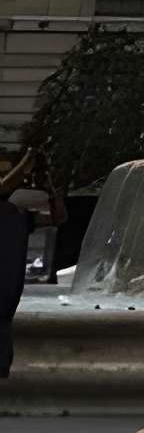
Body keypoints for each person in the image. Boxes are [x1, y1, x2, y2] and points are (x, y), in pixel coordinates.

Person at [1, 147, 66, 379]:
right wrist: (28, 160)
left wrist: (52, 191)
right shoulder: (13, 213)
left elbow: (58, 217)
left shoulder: (15, 213)